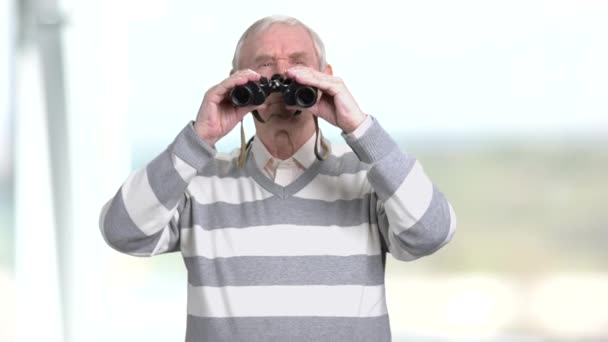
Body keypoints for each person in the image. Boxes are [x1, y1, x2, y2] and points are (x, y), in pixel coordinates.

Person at [99, 15, 456, 342]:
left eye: (298, 64)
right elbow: (122, 231)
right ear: (236, 80)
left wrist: (360, 128)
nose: (282, 77)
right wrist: (199, 138)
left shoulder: (368, 176)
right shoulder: (199, 182)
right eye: (264, 66)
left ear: (325, 75)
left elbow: (432, 231)